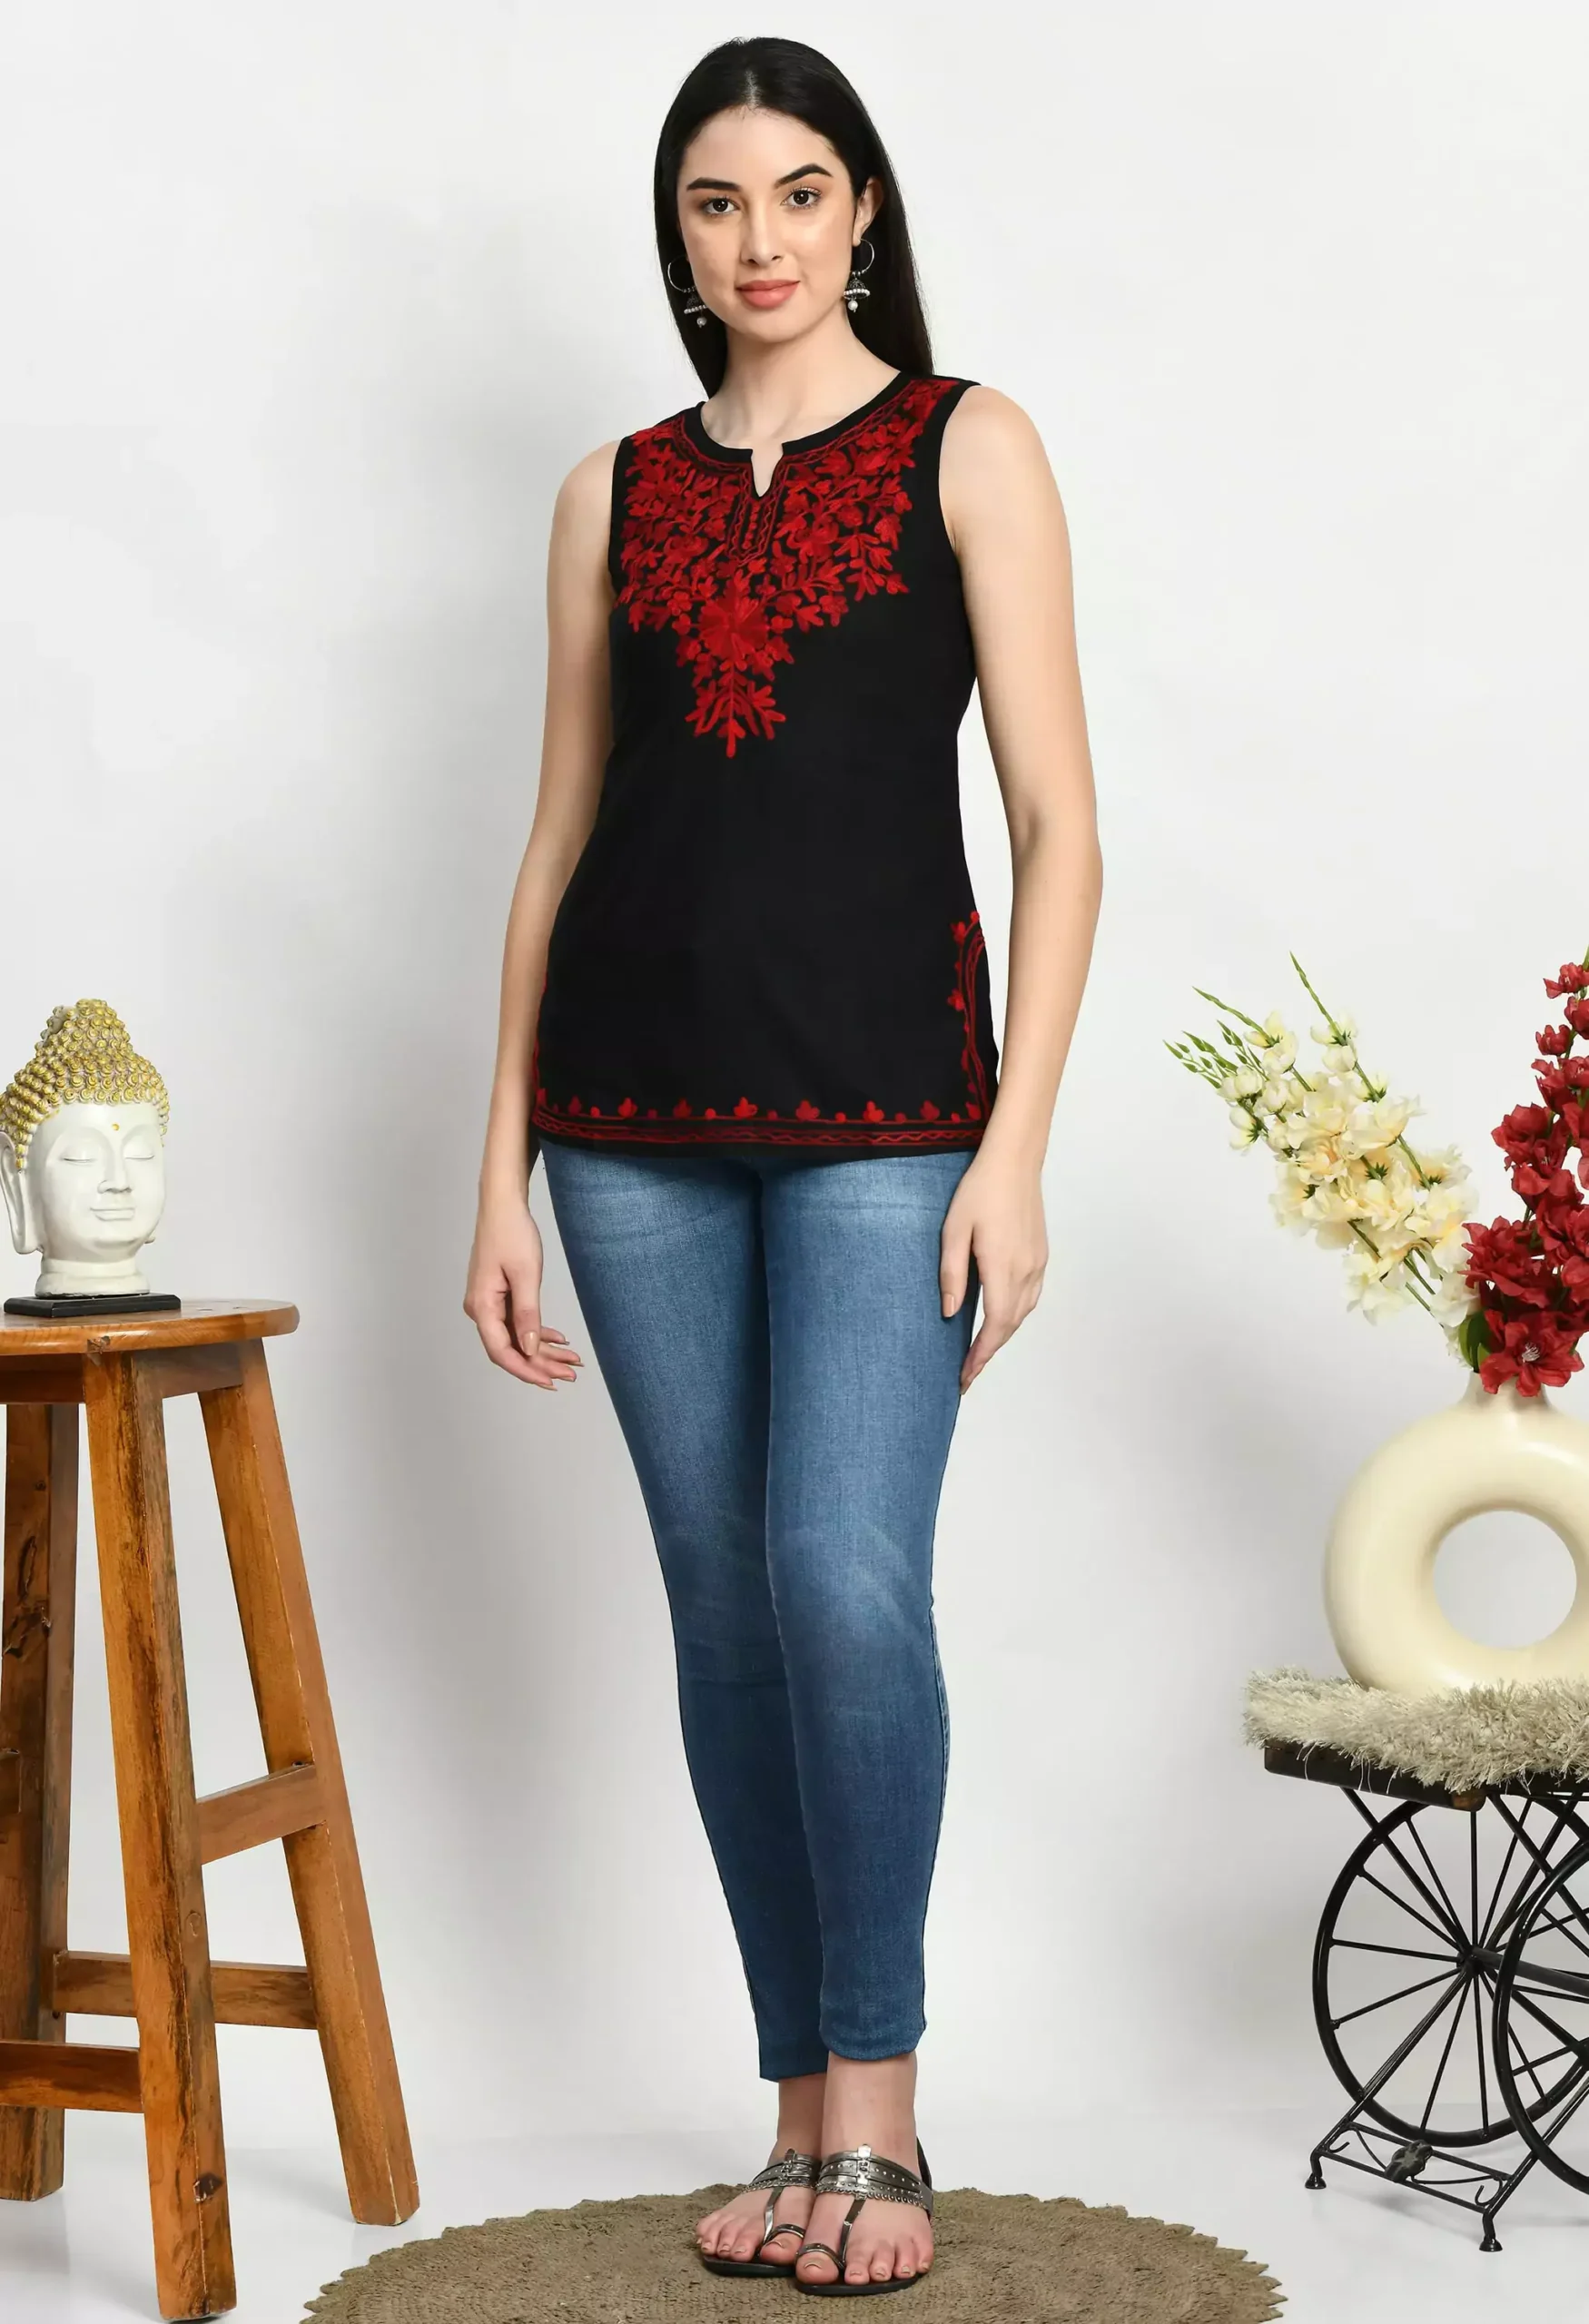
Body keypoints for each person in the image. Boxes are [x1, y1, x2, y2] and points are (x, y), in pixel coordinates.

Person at [465, 34, 1100, 2299]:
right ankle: (791, 2109)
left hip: (891, 1124)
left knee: (840, 1578)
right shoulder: (609, 491)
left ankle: (881, 2110)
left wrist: (1014, 1148)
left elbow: (1057, 826)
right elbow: (555, 836)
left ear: (861, 211)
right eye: (716, 200)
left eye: (799, 192)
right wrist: (494, 1172)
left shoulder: (965, 444)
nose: (760, 240)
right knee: (726, 1614)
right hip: (623, 1128)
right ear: (677, 230)